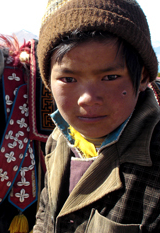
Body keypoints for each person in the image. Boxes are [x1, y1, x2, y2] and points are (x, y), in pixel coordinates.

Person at [33, 0, 160, 232]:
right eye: (68, 79)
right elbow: (45, 218)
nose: (88, 99)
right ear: (48, 81)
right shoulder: (59, 139)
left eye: (110, 77)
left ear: (142, 78)